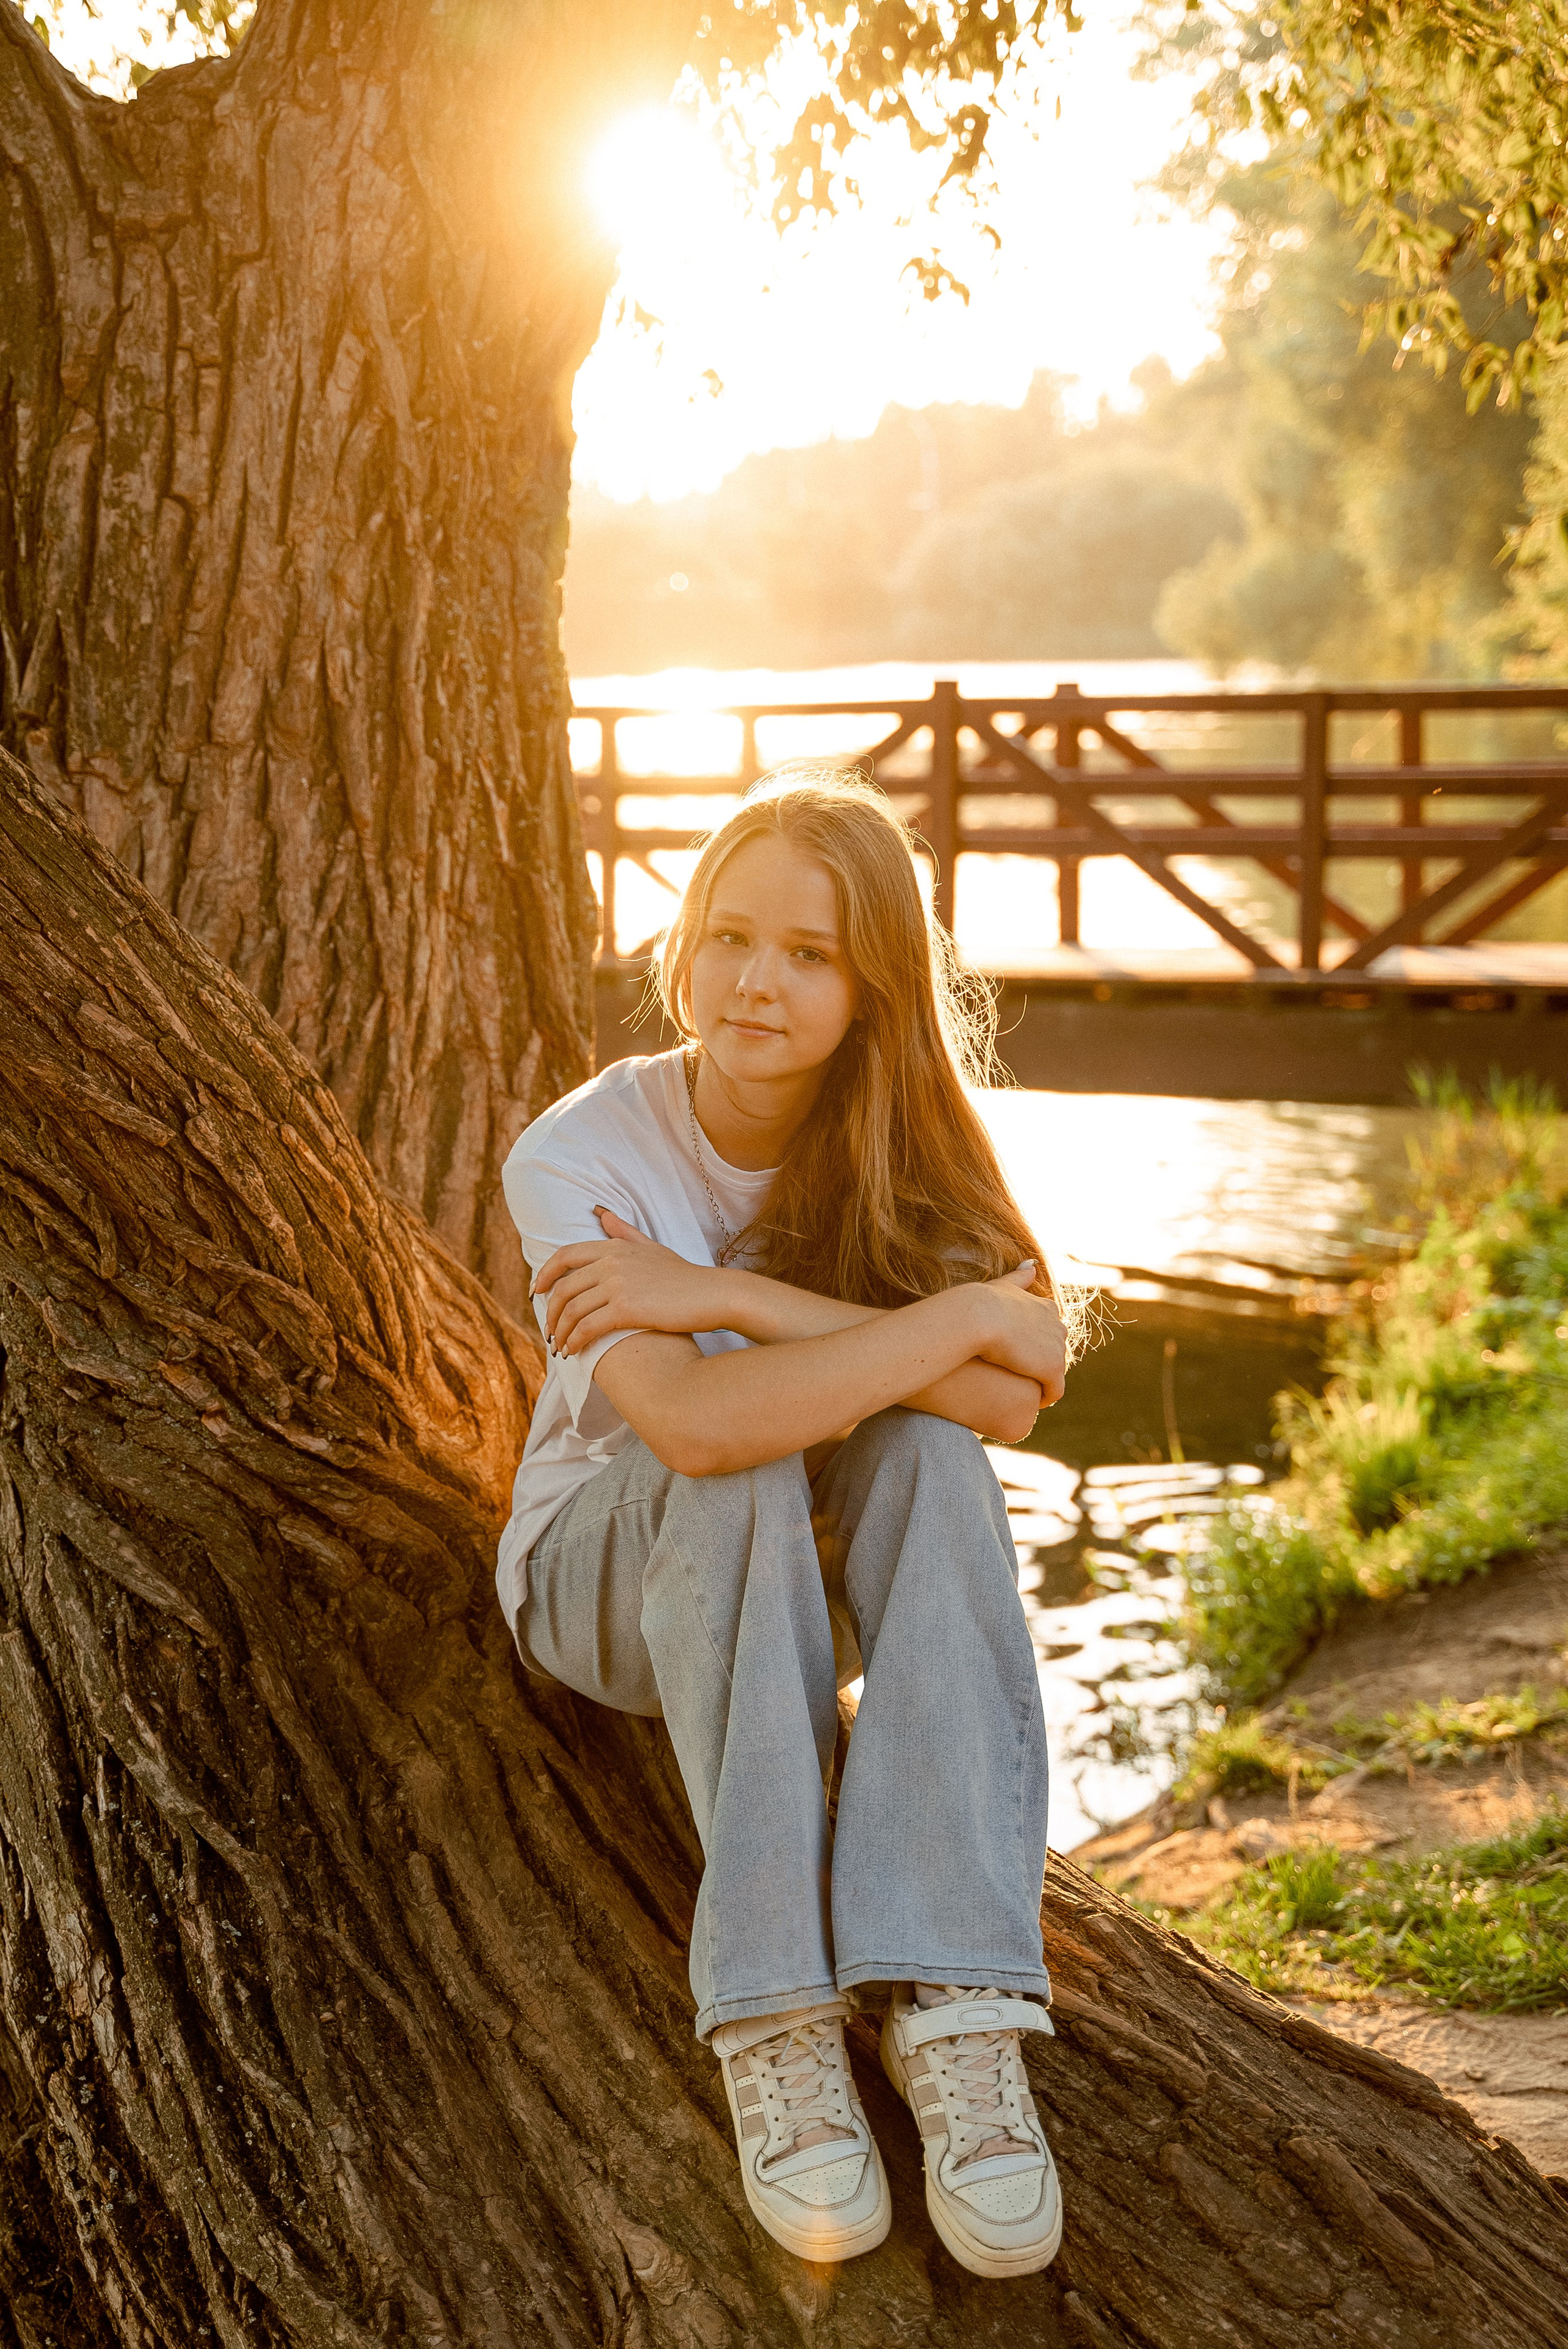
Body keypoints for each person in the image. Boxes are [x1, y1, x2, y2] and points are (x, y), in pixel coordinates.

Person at [496, 770, 1076, 2276]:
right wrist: (933, 1331)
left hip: (804, 1580)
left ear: (870, 979)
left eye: (808, 953)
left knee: (935, 1463)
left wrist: (730, 1297)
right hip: (603, 1580)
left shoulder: (907, 1136)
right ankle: (772, 2013)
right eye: (728, 938)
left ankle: (951, 2003)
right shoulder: (581, 1156)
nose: (755, 983)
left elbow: (1019, 1398)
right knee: (753, 1444)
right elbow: (689, 1428)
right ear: (678, 949)